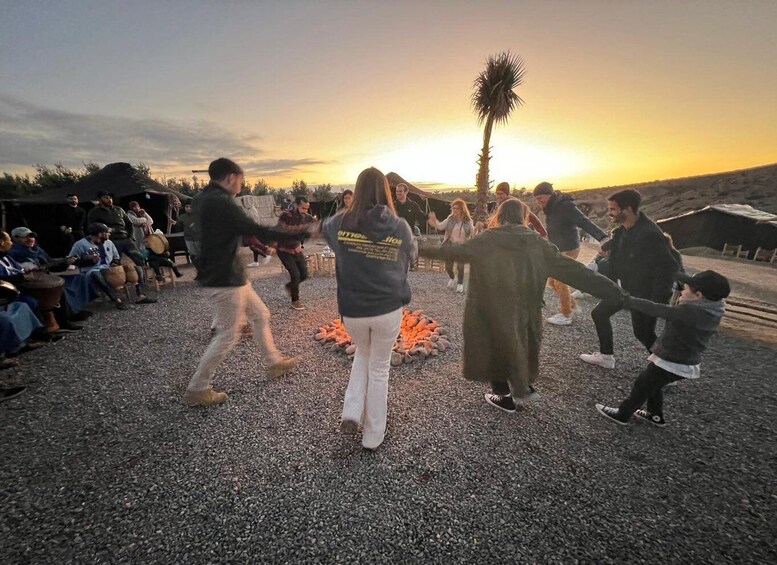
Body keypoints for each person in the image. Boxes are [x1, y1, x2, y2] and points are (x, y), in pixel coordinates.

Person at [418, 199, 624, 413]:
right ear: (524, 217)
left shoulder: (487, 239)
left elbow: (451, 253)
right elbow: (574, 270)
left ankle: (504, 396)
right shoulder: (537, 243)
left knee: (494, 348)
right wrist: (612, 290)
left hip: (490, 308)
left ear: (499, 215)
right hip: (525, 307)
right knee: (521, 343)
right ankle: (522, 385)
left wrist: (416, 248)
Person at [185, 158, 313, 407]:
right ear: (231, 177)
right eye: (241, 180)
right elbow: (254, 228)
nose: (241, 186)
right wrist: (302, 233)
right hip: (224, 278)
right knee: (227, 334)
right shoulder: (221, 202)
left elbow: (238, 232)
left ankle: (273, 363)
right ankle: (197, 388)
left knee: (260, 315)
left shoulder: (202, 199)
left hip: (229, 274)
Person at [322, 167, 415, 450]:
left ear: (358, 190)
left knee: (364, 350)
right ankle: (373, 435)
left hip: (353, 311)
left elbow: (329, 239)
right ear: (387, 191)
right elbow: (409, 259)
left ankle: (351, 411)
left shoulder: (339, 223)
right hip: (387, 309)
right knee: (379, 369)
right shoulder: (400, 227)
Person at [596, 270, 729, 427]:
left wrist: (627, 300)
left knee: (642, 385)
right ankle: (655, 415)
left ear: (698, 295)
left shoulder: (691, 312)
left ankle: (622, 414)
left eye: (685, 289)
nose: (681, 291)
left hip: (673, 361)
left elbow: (656, 309)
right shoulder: (712, 311)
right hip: (684, 361)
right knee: (654, 385)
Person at [580, 189, 680, 369]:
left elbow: (669, 266)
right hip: (623, 288)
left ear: (627, 209)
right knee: (599, 313)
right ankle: (606, 356)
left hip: (644, 292)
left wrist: (658, 302)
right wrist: (607, 249)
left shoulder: (649, 233)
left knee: (643, 332)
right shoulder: (623, 229)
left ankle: (667, 368)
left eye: (612, 209)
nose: (609, 213)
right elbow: (620, 249)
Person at [532, 181, 609, 326]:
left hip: (569, 247)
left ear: (549, 195)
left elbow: (584, 221)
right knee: (552, 281)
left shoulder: (565, 206)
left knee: (560, 279)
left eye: (540, 198)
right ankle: (572, 305)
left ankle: (566, 314)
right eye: (536, 199)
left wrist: (602, 238)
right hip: (558, 247)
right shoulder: (551, 207)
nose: (538, 202)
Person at [69, 223, 133, 310]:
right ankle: (117, 299)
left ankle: (140, 294)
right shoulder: (80, 244)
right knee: (96, 274)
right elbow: (72, 260)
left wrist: (114, 263)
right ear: (99, 234)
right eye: (107, 232)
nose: (109, 234)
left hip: (107, 268)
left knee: (131, 267)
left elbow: (116, 257)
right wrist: (89, 261)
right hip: (90, 271)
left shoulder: (109, 243)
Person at [276, 196, 316, 310]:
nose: (305, 211)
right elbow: (280, 232)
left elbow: (316, 226)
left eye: (307, 208)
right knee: (295, 275)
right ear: (296, 205)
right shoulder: (285, 216)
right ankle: (295, 300)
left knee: (304, 274)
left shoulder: (307, 217)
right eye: (303, 208)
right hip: (284, 250)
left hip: (296, 249)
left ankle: (289, 286)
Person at [427, 198, 473, 293]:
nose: (455, 210)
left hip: (462, 246)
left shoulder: (468, 221)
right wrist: (434, 221)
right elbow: (440, 226)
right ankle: (452, 278)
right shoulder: (450, 218)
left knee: (460, 266)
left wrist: (476, 230)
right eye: (453, 208)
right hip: (450, 245)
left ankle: (460, 284)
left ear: (462, 209)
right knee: (448, 266)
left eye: (457, 208)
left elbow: (472, 233)